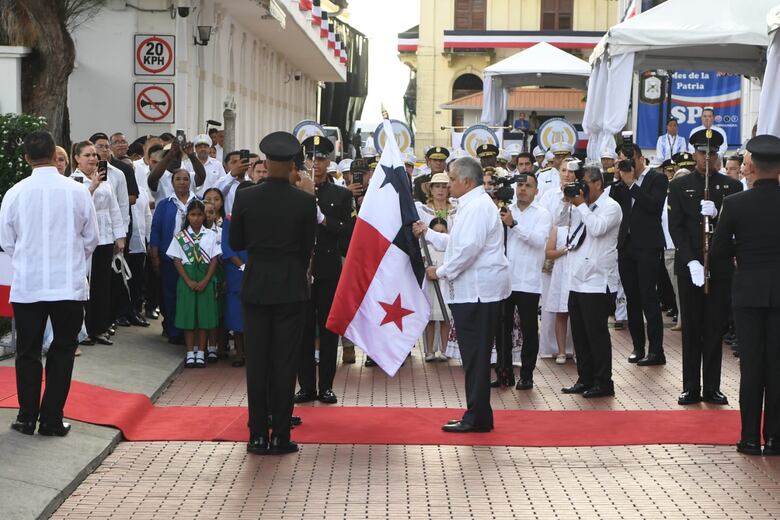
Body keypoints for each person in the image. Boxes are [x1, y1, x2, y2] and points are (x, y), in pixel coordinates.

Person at [0, 131, 98, 437]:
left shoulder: (15, 193)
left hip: (29, 284)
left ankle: (27, 417)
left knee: (27, 352)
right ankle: (52, 419)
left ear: (27, 158)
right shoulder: (77, 191)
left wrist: (29, 259)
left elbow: (7, 242)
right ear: (54, 155)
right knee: (63, 350)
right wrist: (70, 259)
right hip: (67, 284)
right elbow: (91, 238)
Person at [229, 131, 316, 455]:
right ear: (293, 165)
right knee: (285, 362)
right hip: (291, 286)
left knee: (258, 362)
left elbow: (236, 241)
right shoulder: (305, 201)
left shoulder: (246, 196)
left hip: (256, 285)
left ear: (266, 163)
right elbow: (308, 247)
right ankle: (280, 434)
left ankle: (256, 435)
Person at [413, 156, 511, 433]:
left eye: (452, 179)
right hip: (473, 292)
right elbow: (458, 243)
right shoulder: (470, 205)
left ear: (467, 181)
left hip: (478, 294)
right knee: (473, 356)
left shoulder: (478, 207)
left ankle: (477, 416)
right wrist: (429, 234)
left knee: (476, 356)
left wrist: (440, 271)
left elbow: (467, 251)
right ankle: (478, 413)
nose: (449, 184)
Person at [711, 134, 780, 457]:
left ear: (750, 167)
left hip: (748, 293)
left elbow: (719, 252)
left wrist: (742, 258)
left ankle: (750, 437)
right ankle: (776, 438)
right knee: (778, 367)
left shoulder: (735, 204)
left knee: (751, 367)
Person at [668, 128, 742, 406]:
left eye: (711, 153)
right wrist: (691, 261)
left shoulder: (731, 187)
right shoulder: (678, 186)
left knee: (714, 328)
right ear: (694, 153)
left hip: (719, 267)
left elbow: (735, 230)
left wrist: (719, 214)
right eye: (702, 152)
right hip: (691, 267)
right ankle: (690, 386)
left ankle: (712, 386)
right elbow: (676, 229)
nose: (706, 157)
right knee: (692, 328)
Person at [294, 136, 352, 405]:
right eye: (310, 158)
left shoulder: (341, 194)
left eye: (320, 159)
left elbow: (347, 231)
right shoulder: (295, 189)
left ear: (329, 162)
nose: (315, 164)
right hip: (302, 270)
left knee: (328, 331)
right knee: (303, 330)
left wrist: (324, 219)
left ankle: (326, 385)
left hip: (328, 269)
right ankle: (306, 386)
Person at [561, 165, 622, 398]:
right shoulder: (579, 205)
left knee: (596, 334)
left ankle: (603, 382)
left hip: (598, 281)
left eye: (584, 183)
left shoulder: (611, 207)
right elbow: (558, 220)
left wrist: (581, 206)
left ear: (598, 183)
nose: (581, 187)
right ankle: (584, 378)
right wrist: (566, 198)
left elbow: (596, 229)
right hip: (576, 278)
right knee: (579, 333)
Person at [609, 144, 668, 365]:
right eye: (622, 160)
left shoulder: (657, 179)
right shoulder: (622, 181)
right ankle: (638, 347)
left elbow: (654, 206)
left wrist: (632, 183)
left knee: (648, 297)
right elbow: (614, 205)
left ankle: (656, 351)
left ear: (641, 159)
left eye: (629, 160)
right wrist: (618, 180)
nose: (627, 165)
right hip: (626, 244)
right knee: (631, 297)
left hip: (648, 246)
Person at [494, 173, 552, 389]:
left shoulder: (542, 214)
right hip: (505, 280)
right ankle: (504, 372)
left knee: (528, 330)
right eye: (519, 185)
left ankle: (526, 375)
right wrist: (505, 220)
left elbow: (538, 242)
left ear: (536, 190)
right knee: (502, 329)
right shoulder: (506, 210)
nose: (522, 189)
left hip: (528, 281)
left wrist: (514, 224)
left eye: (528, 185)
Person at [71, 141, 126, 345]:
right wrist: (91, 188)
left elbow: (114, 209)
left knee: (103, 285)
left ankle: (99, 328)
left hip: (105, 236)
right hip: (85, 238)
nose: (93, 159)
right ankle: (82, 329)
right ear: (77, 158)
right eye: (87, 155)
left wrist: (119, 236)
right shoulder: (74, 181)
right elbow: (78, 209)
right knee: (85, 284)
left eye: (95, 155)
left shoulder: (106, 180)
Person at [166, 199, 221, 368]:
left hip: (205, 275)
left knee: (204, 316)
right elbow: (176, 260)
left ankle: (201, 352)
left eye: (199, 214)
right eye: (193, 215)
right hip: (187, 277)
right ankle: (190, 352)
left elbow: (214, 259)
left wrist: (205, 280)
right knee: (188, 315)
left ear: (204, 216)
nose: (196, 218)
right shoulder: (181, 236)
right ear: (187, 216)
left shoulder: (211, 235)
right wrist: (188, 280)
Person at [149, 169, 198, 345]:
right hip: (169, 257)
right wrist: (155, 255)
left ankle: (191, 331)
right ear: (172, 182)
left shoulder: (198, 202)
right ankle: (173, 331)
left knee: (190, 295)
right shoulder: (164, 204)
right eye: (178, 179)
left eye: (185, 179)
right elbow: (156, 229)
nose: (182, 182)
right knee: (170, 295)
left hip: (194, 259)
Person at [423, 218, 450, 362]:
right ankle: (429, 351)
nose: (440, 234)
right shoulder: (425, 247)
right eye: (436, 231)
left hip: (446, 287)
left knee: (446, 319)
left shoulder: (451, 248)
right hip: (431, 288)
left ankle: (445, 350)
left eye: (442, 231)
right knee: (431, 321)